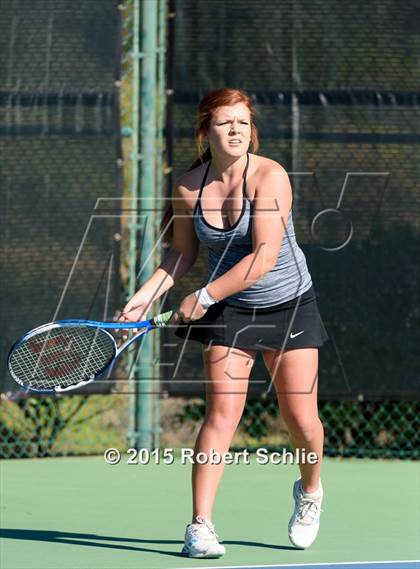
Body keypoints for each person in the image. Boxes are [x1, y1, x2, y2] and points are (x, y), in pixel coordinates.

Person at [119, 88, 329, 558]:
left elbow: (264, 256)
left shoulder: (270, 176)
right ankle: (200, 526)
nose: (234, 130)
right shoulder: (189, 186)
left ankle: (310, 490)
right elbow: (181, 254)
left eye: (242, 122)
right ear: (205, 131)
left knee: (301, 420)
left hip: (288, 303)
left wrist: (204, 295)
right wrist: (142, 299)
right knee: (221, 415)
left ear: (250, 130)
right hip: (230, 313)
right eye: (223, 122)